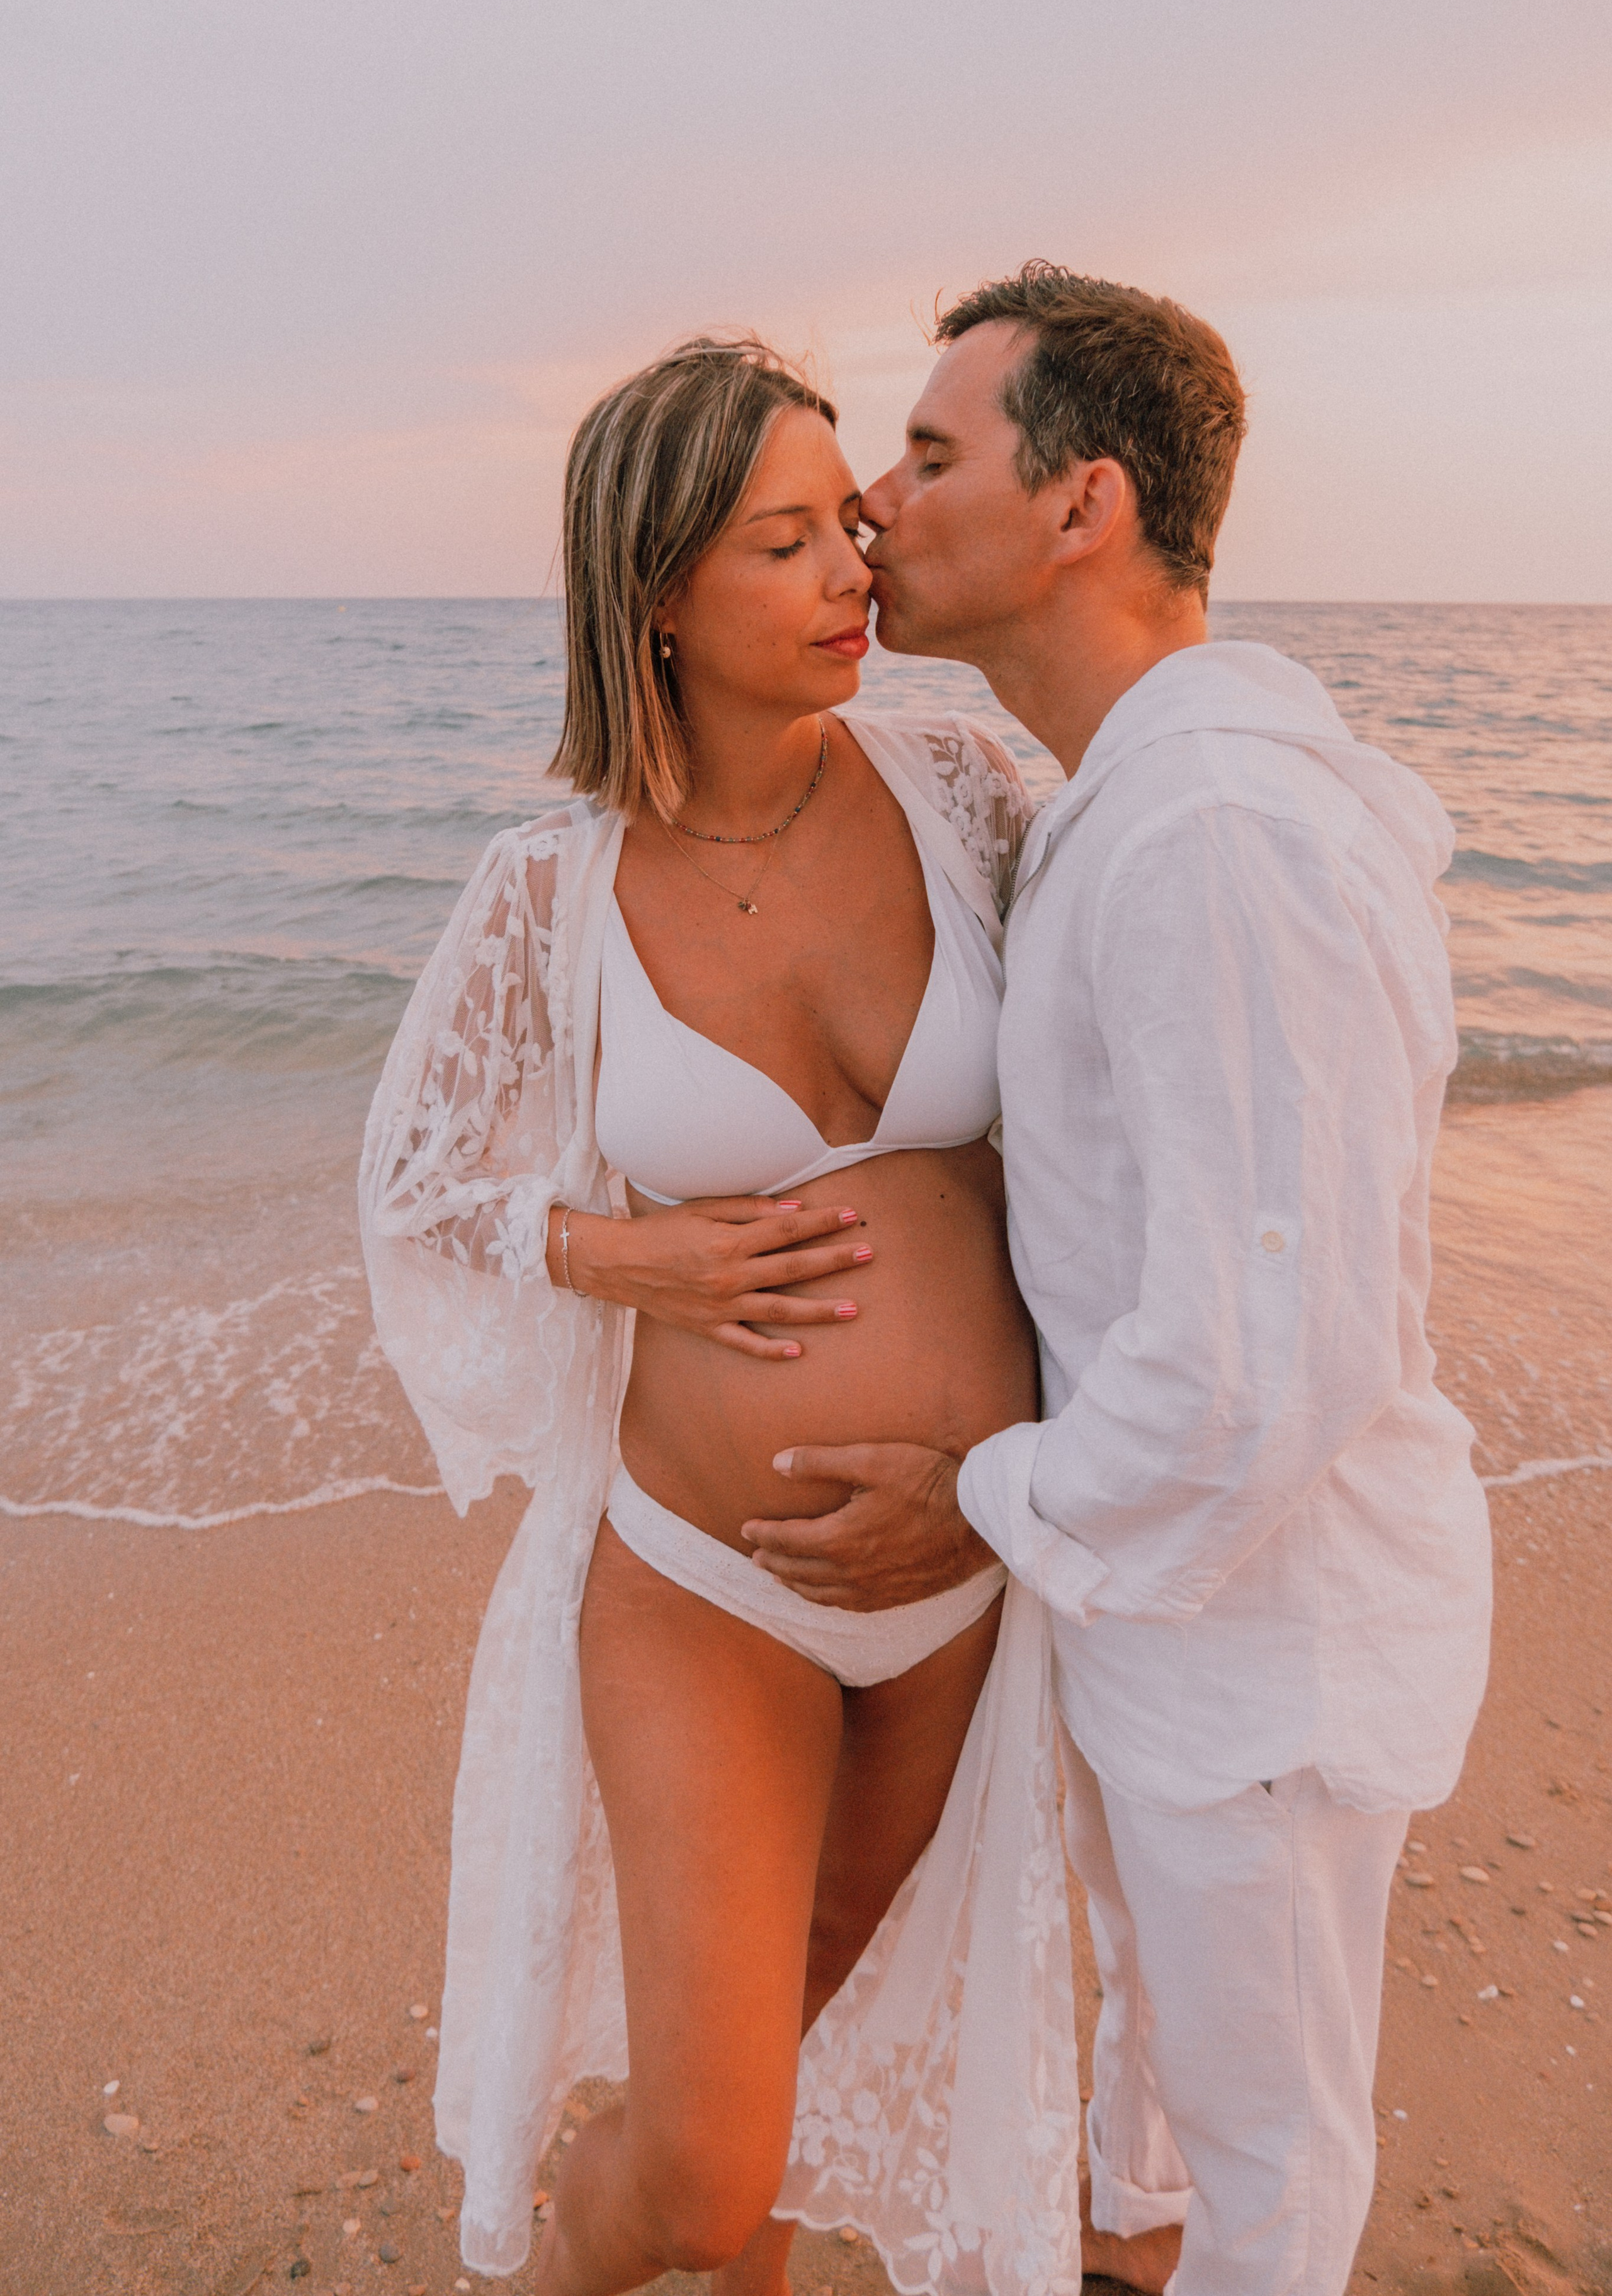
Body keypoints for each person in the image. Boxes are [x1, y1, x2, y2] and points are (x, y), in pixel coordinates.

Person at [746, 265, 1494, 2296]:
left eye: (929, 454)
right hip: (1175, 1606)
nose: (876, 502)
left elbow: (1265, 1358)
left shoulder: (1217, 836)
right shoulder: (1131, 801)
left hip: (1267, 1640)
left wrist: (978, 1494)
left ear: (1085, 504)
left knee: (1271, 2160)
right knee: (1166, 2065)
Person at [359, 336, 1083, 2295]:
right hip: (710, 1578)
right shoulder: (553, 887)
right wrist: (627, 1255)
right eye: (786, 542)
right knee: (694, 2169)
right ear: (658, 591)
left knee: (807, 2008)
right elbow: (414, 1182)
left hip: (964, 1563)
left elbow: (1123, 1080)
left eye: (850, 520)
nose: (856, 567)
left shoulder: (962, 790)